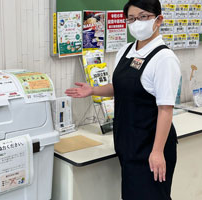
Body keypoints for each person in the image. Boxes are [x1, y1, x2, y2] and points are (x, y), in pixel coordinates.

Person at [65, 0, 181, 199]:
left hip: (151, 147)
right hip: (129, 143)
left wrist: (157, 152)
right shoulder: (126, 50)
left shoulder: (165, 59)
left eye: (143, 17)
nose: (137, 23)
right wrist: (93, 90)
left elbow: (165, 109)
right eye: (131, 18)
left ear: (158, 19)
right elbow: (122, 88)